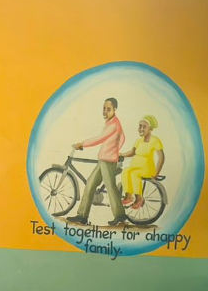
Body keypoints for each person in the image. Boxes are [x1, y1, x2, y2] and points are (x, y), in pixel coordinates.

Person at [66, 97, 127, 226]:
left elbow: (100, 138)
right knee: (90, 183)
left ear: (115, 109)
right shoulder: (111, 122)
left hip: (108, 161)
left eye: (108, 109)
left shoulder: (114, 124)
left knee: (110, 187)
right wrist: (115, 150)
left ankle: (120, 215)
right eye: (104, 109)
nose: (105, 111)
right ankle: (82, 216)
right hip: (103, 159)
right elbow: (122, 138)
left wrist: (82, 144)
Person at [120, 115, 165, 210]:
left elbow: (161, 157)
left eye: (144, 127)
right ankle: (128, 196)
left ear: (150, 128)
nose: (141, 129)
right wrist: (122, 154)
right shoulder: (139, 141)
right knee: (125, 172)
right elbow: (132, 152)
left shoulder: (155, 140)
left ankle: (139, 198)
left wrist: (156, 172)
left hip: (147, 169)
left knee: (134, 174)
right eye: (140, 126)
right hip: (135, 167)